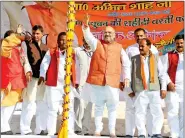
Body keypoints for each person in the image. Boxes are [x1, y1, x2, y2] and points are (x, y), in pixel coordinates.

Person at [81, 13, 131, 138]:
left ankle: (112, 131)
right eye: (106, 33)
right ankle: (98, 130)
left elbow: (126, 63)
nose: (107, 34)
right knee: (98, 106)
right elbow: (88, 37)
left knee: (112, 108)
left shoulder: (120, 48)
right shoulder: (96, 44)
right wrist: (86, 26)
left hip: (113, 82)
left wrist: (126, 77)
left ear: (114, 35)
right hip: (98, 81)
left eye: (110, 33)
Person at [38, 32, 76, 135]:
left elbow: (79, 67)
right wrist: (42, 75)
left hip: (68, 85)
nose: (62, 42)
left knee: (69, 108)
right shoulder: (51, 52)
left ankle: (69, 131)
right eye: (60, 39)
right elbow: (44, 64)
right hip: (54, 85)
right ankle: (51, 132)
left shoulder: (72, 53)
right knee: (53, 108)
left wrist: (77, 82)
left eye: (64, 40)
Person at [125, 28, 158, 137]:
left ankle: (150, 133)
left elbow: (158, 69)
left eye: (141, 35)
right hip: (136, 87)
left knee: (150, 111)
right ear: (134, 37)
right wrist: (128, 88)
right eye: (137, 36)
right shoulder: (130, 49)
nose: (139, 38)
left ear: (145, 35)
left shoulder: (154, 49)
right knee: (132, 110)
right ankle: (130, 133)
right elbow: (126, 69)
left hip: (151, 87)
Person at [130, 38, 166, 138]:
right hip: (140, 89)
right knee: (140, 112)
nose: (140, 48)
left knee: (157, 111)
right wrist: (130, 90)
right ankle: (142, 133)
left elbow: (162, 74)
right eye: (139, 46)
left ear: (149, 46)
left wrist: (163, 88)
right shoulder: (134, 59)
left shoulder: (156, 57)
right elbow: (129, 75)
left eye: (143, 46)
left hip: (154, 89)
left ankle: (156, 132)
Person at [1, 30, 32, 135]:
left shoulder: (19, 49)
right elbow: (7, 43)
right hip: (9, 80)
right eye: (14, 37)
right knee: (8, 104)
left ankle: (5, 126)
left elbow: (25, 61)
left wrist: (28, 71)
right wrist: (18, 35)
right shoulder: (5, 48)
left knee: (11, 104)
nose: (17, 39)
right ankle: (4, 128)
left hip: (18, 79)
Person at [20, 25, 48, 135]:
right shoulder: (27, 44)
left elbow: (47, 63)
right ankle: (25, 129)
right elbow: (24, 58)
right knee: (29, 103)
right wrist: (27, 70)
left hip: (42, 79)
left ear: (42, 34)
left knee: (41, 103)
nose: (35, 35)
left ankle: (40, 129)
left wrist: (45, 76)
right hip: (31, 78)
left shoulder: (46, 47)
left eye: (38, 33)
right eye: (34, 33)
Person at [163, 34, 184, 138]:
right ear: (174, 44)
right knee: (172, 113)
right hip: (173, 89)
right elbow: (163, 71)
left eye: (181, 43)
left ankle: (182, 135)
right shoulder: (169, 55)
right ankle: (175, 135)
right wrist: (169, 83)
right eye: (177, 43)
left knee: (183, 114)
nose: (179, 45)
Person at [73, 38, 93, 135]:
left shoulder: (95, 52)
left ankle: (86, 129)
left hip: (91, 84)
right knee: (79, 105)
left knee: (88, 106)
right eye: (85, 41)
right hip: (79, 82)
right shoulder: (77, 50)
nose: (87, 43)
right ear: (83, 41)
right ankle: (77, 127)